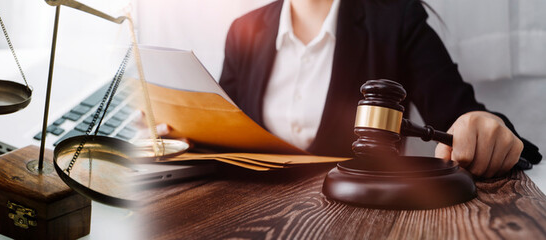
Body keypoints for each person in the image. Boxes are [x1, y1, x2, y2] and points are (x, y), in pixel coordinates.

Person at [169, 0, 540, 178]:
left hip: (359, 217)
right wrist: (179, 130)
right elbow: (223, 128)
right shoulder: (243, 30)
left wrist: (484, 127)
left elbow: (463, 119)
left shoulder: (395, 19)